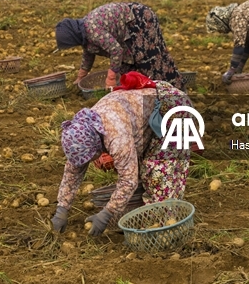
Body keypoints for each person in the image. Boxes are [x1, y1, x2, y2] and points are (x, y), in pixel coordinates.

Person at [51, 73, 192, 235]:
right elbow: (73, 170)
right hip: (144, 110)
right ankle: (145, 208)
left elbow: (128, 180)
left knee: (159, 172)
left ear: (97, 142)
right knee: (142, 169)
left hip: (172, 109)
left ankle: (166, 225)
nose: (89, 162)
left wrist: (107, 213)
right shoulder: (81, 131)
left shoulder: (116, 136)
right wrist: (62, 209)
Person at [55, 2, 183, 89]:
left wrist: (111, 77)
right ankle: (146, 94)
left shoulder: (92, 30)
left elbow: (116, 50)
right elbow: (88, 54)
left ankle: (174, 91)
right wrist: (80, 77)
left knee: (150, 61)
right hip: (127, 28)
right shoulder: (82, 32)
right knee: (126, 72)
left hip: (139, 20)